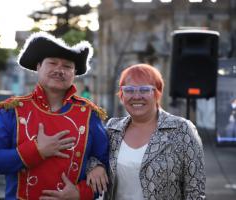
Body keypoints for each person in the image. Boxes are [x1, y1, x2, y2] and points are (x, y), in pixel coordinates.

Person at [0, 31, 109, 200]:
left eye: (67, 66)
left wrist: (81, 193)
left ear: (74, 73)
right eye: (52, 63)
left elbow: (108, 165)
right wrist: (37, 150)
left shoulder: (89, 114)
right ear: (38, 66)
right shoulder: (12, 110)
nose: (59, 70)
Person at [87, 63, 206, 199]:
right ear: (121, 95)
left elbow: (195, 192)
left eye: (144, 90)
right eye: (129, 90)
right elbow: (93, 155)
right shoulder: (113, 129)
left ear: (157, 94)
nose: (136, 96)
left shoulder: (182, 129)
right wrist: (96, 166)